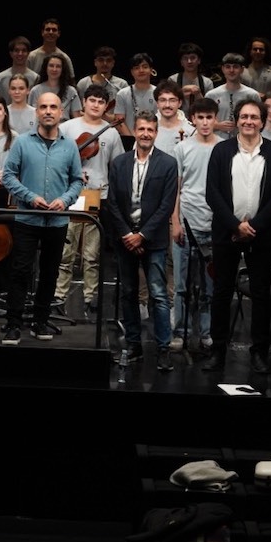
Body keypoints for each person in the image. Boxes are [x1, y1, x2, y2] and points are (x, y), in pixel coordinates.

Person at [203, 99, 271, 375]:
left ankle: (259, 352)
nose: (248, 121)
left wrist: (254, 226)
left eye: (254, 117)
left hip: (261, 234)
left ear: (263, 121)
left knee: (261, 294)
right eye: (244, 116)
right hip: (226, 232)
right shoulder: (221, 150)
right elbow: (212, 192)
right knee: (221, 292)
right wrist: (235, 226)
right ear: (237, 120)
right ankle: (217, 351)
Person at [0, 92, 83, 344]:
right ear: (37, 112)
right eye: (43, 107)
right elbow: (8, 175)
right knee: (20, 271)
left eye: (53, 107)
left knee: (49, 273)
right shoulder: (22, 142)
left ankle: (40, 321)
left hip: (57, 221)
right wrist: (30, 197)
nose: (48, 111)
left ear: (60, 112)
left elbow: (77, 180)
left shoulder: (70, 145)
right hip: (27, 218)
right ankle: (13, 323)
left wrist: (65, 200)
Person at [105, 110, 178, 372]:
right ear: (135, 131)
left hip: (153, 239)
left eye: (150, 130)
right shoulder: (119, 163)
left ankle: (163, 349)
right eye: (141, 129)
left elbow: (166, 205)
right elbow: (112, 202)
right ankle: (134, 345)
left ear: (156, 133)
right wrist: (127, 234)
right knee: (128, 293)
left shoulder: (168, 163)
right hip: (125, 239)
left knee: (158, 294)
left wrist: (142, 235)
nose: (145, 134)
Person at [55, 85, 119, 314]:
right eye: (92, 100)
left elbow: (117, 166)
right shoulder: (67, 128)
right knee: (66, 252)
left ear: (106, 106)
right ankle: (59, 295)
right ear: (84, 101)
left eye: (101, 102)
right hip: (69, 195)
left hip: (97, 195)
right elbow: (55, 159)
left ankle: (90, 296)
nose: (96, 105)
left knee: (92, 254)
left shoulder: (111, 133)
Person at [168, 97, 221, 354]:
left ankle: (207, 332)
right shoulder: (182, 148)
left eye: (209, 117)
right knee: (182, 286)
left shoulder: (224, 147)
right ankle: (180, 331)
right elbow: (176, 189)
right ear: (193, 119)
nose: (205, 122)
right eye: (200, 117)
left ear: (215, 119)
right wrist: (175, 221)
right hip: (187, 222)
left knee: (209, 286)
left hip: (214, 225)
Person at [204, 53, 261, 137]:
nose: (231, 70)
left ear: (242, 69)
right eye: (228, 67)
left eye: (235, 67)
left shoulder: (252, 95)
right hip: (217, 140)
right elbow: (202, 120)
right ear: (223, 69)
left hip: (245, 140)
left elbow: (260, 120)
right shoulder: (211, 95)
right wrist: (217, 125)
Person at [113, 53, 158, 135]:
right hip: (129, 138)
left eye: (145, 67)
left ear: (151, 70)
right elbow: (119, 121)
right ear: (132, 72)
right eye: (137, 68)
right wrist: (131, 139)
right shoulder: (122, 94)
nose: (141, 70)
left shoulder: (159, 93)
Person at [28, 55, 82, 122]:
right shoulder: (35, 90)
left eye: (58, 66)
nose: (54, 69)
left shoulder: (71, 91)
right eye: (51, 66)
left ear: (62, 69)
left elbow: (77, 119)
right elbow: (30, 116)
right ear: (46, 68)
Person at [167, 42, 211, 108]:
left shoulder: (207, 82)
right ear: (181, 62)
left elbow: (210, 108)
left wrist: (199, 94)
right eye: (185, 58)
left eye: (193, 58)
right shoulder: (172, 80)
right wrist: (180, 93)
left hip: (200, 114)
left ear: (199, 60)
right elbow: (168, 104)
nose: (189, 61)